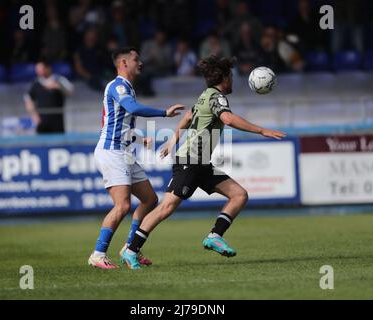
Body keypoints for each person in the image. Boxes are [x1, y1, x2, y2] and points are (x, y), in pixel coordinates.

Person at [121, 55, 286, 269]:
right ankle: (131, 249)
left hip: (201, 163)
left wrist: (173, 141)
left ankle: (214, 236)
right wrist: (262, 130)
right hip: (190, 161)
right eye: (231, 77)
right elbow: (228, 119)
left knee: (239, 195)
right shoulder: (216, 97)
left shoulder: (205, 95)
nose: (233, 81)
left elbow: (188, 116)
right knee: (166, 207)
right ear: (225, 78)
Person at [88, 47, 185, 269]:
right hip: (112, 152)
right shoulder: (118, 86)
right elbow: (131, 108)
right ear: (123, 62)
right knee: (122, 206)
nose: (140, 62)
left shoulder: (127, 88)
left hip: (124, 151)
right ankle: (98, 254)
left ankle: (129, 247)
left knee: (150, 199)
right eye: (135, 59)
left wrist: (140, 139)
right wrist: (164, 112)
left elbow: (114, 123)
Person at [24, 60, 74, 134]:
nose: (39, 72)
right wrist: (34, 115)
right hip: (42, 121)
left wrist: (58, 87)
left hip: (57, 120)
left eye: (41, 69)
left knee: (58, 143)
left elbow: (71, 91)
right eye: (37, 70)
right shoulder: (35, 83)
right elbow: (28, 99)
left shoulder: (59, 79)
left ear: (48, 68)